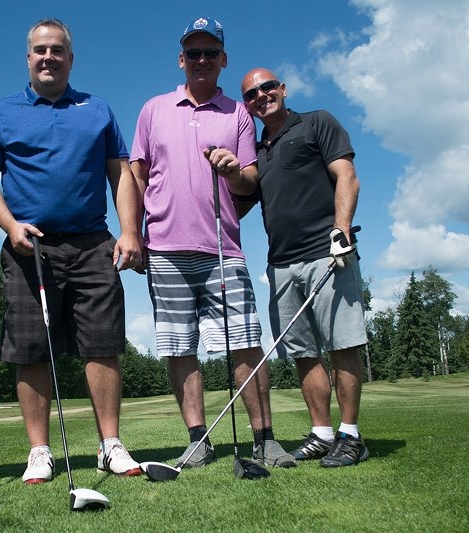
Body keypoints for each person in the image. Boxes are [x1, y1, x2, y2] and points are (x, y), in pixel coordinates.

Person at [0, 18, 144, 484]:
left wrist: (130, 231)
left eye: (57, 50)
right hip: (30, 247)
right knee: (31, 349)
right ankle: (40, 451)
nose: (48, 57)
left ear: (71, 58)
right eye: (39, 50)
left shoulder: (98, 109)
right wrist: (9, 225)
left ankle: (110, 445)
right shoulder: (1, 113)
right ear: (28, 58)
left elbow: (121, 173)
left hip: (93, 243)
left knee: (104, 345)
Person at [130, 17, 296, 470]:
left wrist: (231, 171)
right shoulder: (153, 109)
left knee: (244, 342)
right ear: (181, 59)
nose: (202, 60)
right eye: (194, 52)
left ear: (223, 60)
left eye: (210, 52)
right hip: (164, 249)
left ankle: (265, 439)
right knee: (179, 347)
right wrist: (132, 232)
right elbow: (136, 176)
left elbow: (249, 183)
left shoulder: (239, 113)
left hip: (223, 246)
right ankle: (198, 440)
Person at [239, 67, 369, 467]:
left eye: (267, 87)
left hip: (327, 254)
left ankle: (350, 435)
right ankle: (322, 433)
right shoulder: (258, 152)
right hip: (280, 264)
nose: (261, 95)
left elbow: (347, 175)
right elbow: (240, 204)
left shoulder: (317, 122)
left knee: (343, 343)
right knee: (302, 352)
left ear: (282, 88)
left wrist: (341, 230)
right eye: (251, 94)